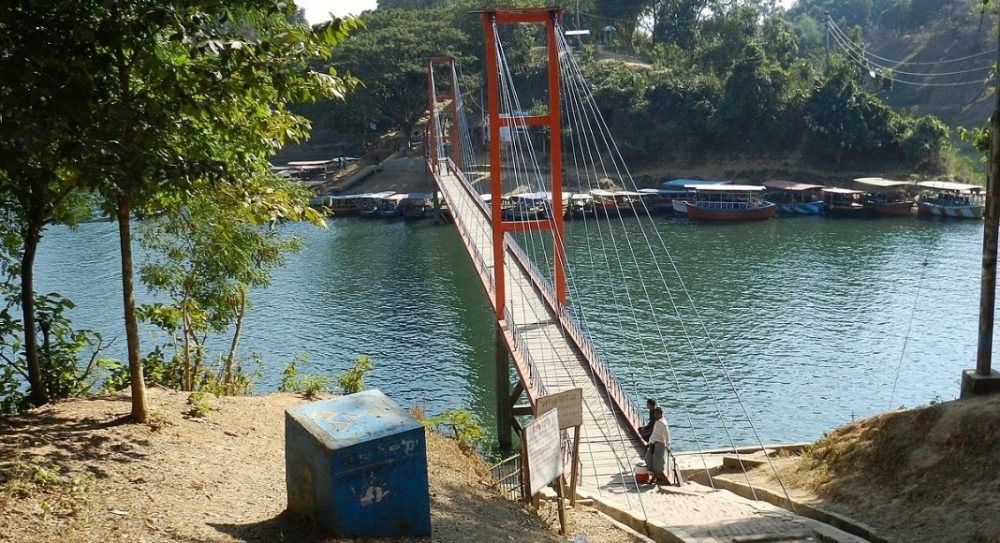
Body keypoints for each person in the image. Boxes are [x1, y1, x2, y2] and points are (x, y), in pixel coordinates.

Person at [644, 406, 671, 485]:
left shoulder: (663, 424)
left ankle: (655, 477)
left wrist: (668, 447)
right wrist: (649, 442)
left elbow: (667, 436)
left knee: (657, 462)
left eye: (657, 414)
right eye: (654, 414)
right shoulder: (657, 421)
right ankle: (654, 475)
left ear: (660, 414)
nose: (655, 415)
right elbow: (654, 434)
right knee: (648, 459)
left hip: (660, 444)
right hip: (653, 443)